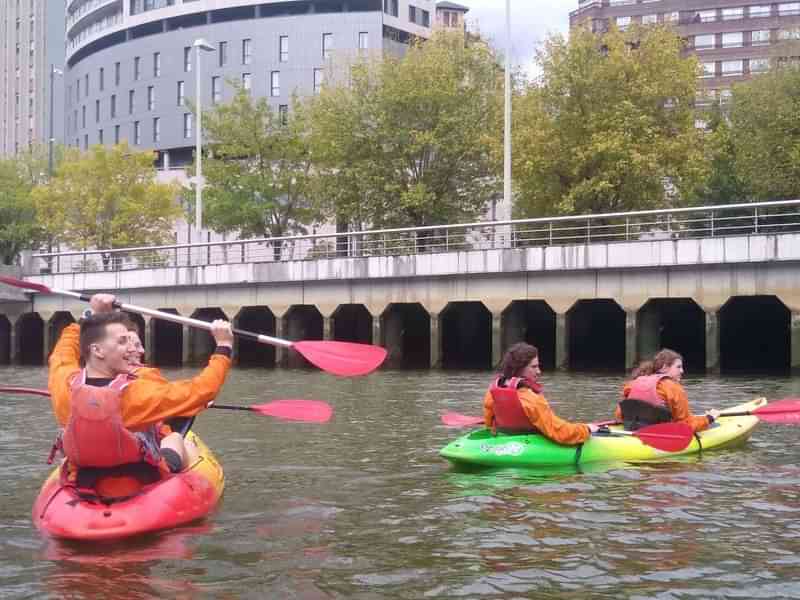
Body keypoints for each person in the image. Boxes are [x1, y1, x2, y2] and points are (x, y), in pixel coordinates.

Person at [48, 293, 234, 482]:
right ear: (96, 350)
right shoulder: (137, 395)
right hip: (136, 482)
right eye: (122, 342)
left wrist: (91, 315)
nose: (132, 349)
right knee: (176, 439)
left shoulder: (64, 385)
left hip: (84, 479)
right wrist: (224, 345)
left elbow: (62, 351)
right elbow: (203, 390)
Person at [483, 342, 598, 445]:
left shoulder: (493, 391)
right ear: (519, 368)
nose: (539, 371)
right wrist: (586, 429)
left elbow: (489, 424)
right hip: (531, 444)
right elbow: (559, 432)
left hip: (505, 440)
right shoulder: (531, 399)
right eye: (534, 367)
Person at [617, 348, 720, 432]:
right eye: (678, 367)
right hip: (661, 435)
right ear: (665, 367)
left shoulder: (632, 384)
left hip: (632, 428)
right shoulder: (674, 388)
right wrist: (709, 418)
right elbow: (686, 426)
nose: (682, 371)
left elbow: (619, 414)